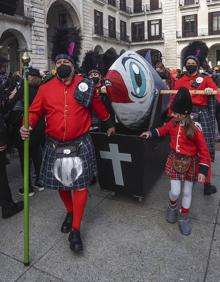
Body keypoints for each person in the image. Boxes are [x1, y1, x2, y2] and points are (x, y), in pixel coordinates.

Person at [20, 28, 115, 253]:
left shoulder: (85, 84)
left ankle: (75, 229)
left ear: (73, 64)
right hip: (55, 144)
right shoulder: (45, 88)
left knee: (80, 186)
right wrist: (27, 125)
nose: (62, 64)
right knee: (62, 185)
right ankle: (70, 210)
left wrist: (109, 122)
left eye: (66, 61)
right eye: (59, 61)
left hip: (80, 143)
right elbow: (33, 112)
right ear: (55, 65)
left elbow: (98, 106)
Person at [140, 87, 211, 236]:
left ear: (185, 113)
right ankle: (172, 206)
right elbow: (163, 129)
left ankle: (184, 217)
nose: (173, 114)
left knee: (186, 192)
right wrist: (150, 133)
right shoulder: (173, 122)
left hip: (190, 162)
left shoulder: (195, 130)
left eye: (176, 112)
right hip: (174, 159)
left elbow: (204, 150)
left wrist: (203, 171)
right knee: (175, 191)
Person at [173, 45, 218, 195]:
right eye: (188, 63)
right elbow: (174, 97)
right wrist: (171, 113)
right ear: (185, 65)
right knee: (185, 147)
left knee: (203, 147)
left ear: (197, 65)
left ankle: (207, 183)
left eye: (193, 63)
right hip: (185, 115)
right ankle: (184, 174)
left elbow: (217, 93)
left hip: (202, 115)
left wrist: (211, 91)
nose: (190, 65)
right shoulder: (180, 80)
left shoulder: (206, 79)